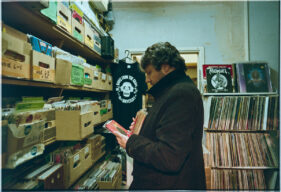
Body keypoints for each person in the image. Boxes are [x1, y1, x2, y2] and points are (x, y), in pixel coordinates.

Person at [112, 42, 206, 190]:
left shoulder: (181, 94)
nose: (147, 80)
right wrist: (142, 129)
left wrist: (131, 142)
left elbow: (169, 157)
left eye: (149, 72)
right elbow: (165, 133)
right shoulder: (171, 92)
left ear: (165, 67)